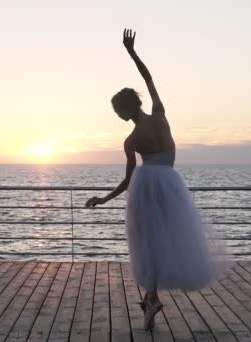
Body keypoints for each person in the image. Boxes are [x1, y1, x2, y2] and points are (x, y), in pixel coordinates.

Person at [86, 28, 226, 330]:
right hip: (170, 182)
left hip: (146, 185)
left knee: (149, 242)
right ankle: (150, 299)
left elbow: (128, 180)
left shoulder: (131, 139)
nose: (117, 115)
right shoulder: (160, 115)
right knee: (169, 238)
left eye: (117, 110)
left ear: (126, 109)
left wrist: (103, 199)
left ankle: (150, 299)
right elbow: (149, 80)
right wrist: (133, 53)